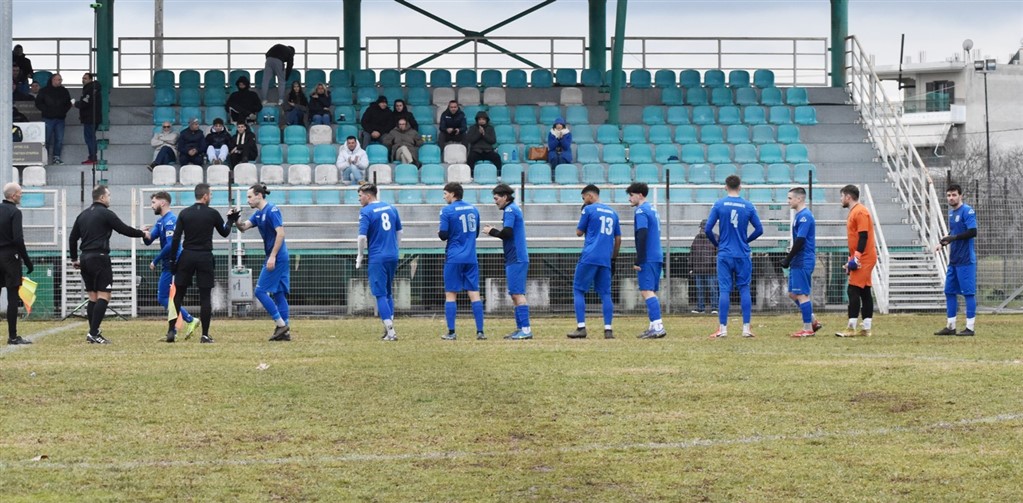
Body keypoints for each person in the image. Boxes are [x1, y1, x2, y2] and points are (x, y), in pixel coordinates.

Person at [69, 185, 147, 344]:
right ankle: (93, 333)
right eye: (109, 195)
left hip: (85, 258)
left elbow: (72, 238)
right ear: (102, 197)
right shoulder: (106, 213)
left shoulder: (82, 215)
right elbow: (124, 229)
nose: (110, 198)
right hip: (100, 257)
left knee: (93, 297)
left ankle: (93, 332)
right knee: (104, 295)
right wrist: (142, 233)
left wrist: (74, 259)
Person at [169, 183, 238, 344]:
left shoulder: (184, 213)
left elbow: (176, 238)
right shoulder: (212, 213)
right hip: (204, 256)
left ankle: (171, 331)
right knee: (205, 296)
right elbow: (224, 232)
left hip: (187, 255)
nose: (211, 197)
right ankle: (205, 335)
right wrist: (231, 220)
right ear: (205, 196)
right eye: (210, 194)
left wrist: (173, 260)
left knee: (178, 294)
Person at [704, 175, 763, 339]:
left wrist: (717, 244)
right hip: (742, 253)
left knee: (724, 289)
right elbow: (759, 229)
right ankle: (746, 328)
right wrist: (746, 240)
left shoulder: (719, 204)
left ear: (725, 187)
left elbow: (708, 229)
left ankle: (723, 329)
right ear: (740, 187)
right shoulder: (748, 206)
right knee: (744, 288)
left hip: (725, 253)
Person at [234, 184, 291, 342]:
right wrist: (235, 220)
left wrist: (272, 256)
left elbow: (281, 234)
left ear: (259, 195)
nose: (248, 200)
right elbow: (243, 227)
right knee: (279, 294)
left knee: (260, 291)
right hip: (278, 256)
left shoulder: (272, 210)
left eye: (250, 196)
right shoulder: (258, 214)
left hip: (277, 256)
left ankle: (281, 325)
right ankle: (285, 333)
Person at [142, 191, 199, 342]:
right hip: (167, 265)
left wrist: (155, 260)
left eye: (153, 202)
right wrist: (144, 234)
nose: (151, 206)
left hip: (175, 264)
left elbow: (170, 244)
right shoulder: (161, 221)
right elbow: (149, 241)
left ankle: (189, 320)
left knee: (164, 297)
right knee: (169, 297)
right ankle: (174, 330)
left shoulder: (171, 220)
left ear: (163, 203)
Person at [567, 184, 621, 339]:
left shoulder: (588, 210)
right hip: (605, 258)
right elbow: (618, 239)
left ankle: (581, 327)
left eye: (584, 198)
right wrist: (613, 258)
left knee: (578, 290)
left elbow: (579, 232)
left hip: (589, 256)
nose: (584, 201)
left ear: (590, 196)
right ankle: (608, 330)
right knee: (605, 293)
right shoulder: (613, 213)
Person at [483, 183, 532, 340]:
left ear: (505, 197)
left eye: (496, 198)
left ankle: (526, 330)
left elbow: (507, 233)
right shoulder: (511, 209)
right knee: (514, 294)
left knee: (517, 293)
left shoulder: (510, 210)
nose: (495, 202)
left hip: (517, 257)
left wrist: (492, 231)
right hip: (514, 257)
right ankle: (520, 329)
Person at [438, 182, 485, 340]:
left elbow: (443, 234)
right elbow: (475, 233)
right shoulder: (473, 209)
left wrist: (442, 233)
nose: (444, 197)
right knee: (474, 293)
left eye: (445, 193)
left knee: (451, 294)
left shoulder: (447, 210)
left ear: (452, 194)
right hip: (471, 257)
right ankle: (480, 332)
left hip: (454, 257)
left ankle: (451, 332)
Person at [356, 183, 402, 341]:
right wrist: (396, 248)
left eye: (360, 196)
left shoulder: (366, 211)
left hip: (378, 257)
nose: (359, 199)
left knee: (380, 294)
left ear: (368, 196)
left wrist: (360, 255)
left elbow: (362, 237)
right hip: (392, 255)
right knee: (388, 292)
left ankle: (391, 332)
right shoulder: (391, 208)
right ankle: (389, 329)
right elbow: (399, 231)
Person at [934, 183, 978, 336]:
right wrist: (942, 243)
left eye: (954, 195)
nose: (951, 198)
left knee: (968, 293)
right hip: (954, 260)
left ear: (960, 196)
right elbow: (952, 233)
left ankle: (970, 328)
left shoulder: (967, 211)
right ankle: (951, 326)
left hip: (966, 261)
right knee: (949, 291)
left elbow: (973, 232)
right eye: (948, 195)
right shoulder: (952, 214)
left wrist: (954, 238)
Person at [835, 184, 877, 338]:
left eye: (842, 196)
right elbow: (853, 239)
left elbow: (863, 236)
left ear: (848, 197)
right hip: (861, 256)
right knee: (864, 290)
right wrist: (850, 258)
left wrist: (857, 258)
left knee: (852, 289)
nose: (841, 199)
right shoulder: (854, 211)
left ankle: (851, 327)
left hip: (865, 257)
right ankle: (866, 328)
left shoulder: (860, 212)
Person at [780, 187, 821, 338]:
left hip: (803, 259)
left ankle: (808, 328)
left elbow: (801, 240)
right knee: (792, 293)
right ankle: (813, 321)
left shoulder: (805, 216)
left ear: (799, 199)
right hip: (798, 260)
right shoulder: (799, 216)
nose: (788, 201)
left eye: (790, 198)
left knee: (802, 294)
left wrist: (788, 258)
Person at [627, 183, 665, 339]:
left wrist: (639, 258)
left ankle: (658, 326)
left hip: (648, 256)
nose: (629, 199)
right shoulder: (652, 209)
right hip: (657, 254)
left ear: (640, 195)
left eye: (631, 195)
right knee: (651, 291)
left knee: (646, 290)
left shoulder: (641, 210)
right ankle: (653, 326)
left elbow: (642, 233)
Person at [0, 183, 33, 345]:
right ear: (13, 196)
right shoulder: (15, 212)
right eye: (20, 193)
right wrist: (27, 260)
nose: (21, 195)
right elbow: (18, 239)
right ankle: (12, 336)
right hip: (10, 257)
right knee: (12, 296)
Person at [34, 73, 72, 165]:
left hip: (60, 119)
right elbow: (38, 103)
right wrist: (46, 110)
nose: (60, 81)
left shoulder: (64, 91)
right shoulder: (44, 91)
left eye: (60, 80)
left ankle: (56, 157)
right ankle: (45, 158)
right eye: (58, 79)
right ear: (53, 80)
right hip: (48, 118)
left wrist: (63, 111)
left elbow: (68, 103)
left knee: (59, 139)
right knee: (46, 139)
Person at [689, 219, 718, 315]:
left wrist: (692, 267)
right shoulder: (715, 237)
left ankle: (710, 307)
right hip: (704, 269)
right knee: (702, 289)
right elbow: (692, 253)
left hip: (707, 269)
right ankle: (706, 308)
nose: (702, 230)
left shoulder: (699, 238)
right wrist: (691, 267)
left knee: (710, 289)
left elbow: (692, 253)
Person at [75, 72, 102, 165]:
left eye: (85, 78)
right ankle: (93, 157)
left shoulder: (90, 89)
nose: (83, 80)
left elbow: (85, 103)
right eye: (83, 78)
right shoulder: (94, 89)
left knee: (89, 138)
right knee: (91, 137)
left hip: (90, 118)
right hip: (94, 118)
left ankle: (93, 157)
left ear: (90, 79)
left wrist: (75, 104)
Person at [465, 110, 501, 176]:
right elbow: (470, 140)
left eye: (483, 119)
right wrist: (479, 133)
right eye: (480, 119)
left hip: (488, 151)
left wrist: (484, 134)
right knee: (470, 158)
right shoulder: (472, 128)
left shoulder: (490, 128)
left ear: (486, 120)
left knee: (497, 157)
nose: (481, 121)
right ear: (477, 120)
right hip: (476, 151)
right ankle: (471, 175)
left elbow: (493, 141)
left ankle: (499, 175)